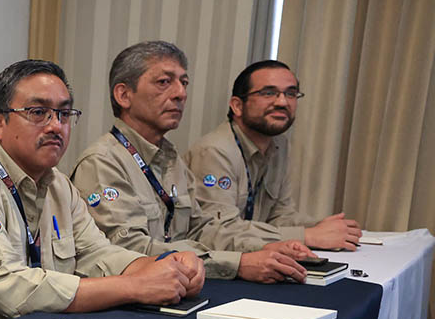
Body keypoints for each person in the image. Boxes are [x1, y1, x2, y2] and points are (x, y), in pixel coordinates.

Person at [0, 60, 205, 319]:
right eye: (38, 112)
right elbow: (10, 288)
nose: (55, 125)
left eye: (64, 114)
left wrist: (164, 267)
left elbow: (96, 253)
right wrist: (134, 286)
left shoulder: (58, 184)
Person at [71, 41, 310, 283]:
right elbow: (130, 250)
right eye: (164, 82)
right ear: (124, 95)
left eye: (183, 83)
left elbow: (202, 228)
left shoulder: (170, 158)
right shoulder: (102, 162)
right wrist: (237, 264)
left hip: (181, 284)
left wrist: (263, 247)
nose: (180, 93)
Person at [183, 60, 362, 250]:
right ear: (237, 106)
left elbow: (279, 216)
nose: (282, 102)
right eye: (268, 93)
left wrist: (321, 227)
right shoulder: (214, 151)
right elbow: (219, 231)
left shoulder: (279, 145)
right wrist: (307, 236)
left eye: (290, 93)